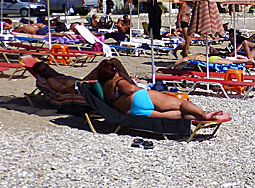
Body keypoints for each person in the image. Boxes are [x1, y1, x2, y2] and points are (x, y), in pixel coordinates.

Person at [94, 61, 230, 121]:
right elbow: (129, 88)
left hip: (132, 111)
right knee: (180, 104)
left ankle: (197, 119)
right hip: (140, 99)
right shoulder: (116, 81)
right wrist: (139, 88)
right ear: (114, 72)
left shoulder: (103, 86)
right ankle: (204, 114)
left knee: (177, 114)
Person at [21, 55, 135, 95]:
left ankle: (129, 82)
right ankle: (129, 83)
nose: (48, 69)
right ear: (42, 73)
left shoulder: (55, 75)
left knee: (112, 62)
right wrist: (83, 84)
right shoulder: (51, 80)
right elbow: (64, 90)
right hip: (83, 84)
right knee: (113, 61)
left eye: (47, 66)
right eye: (45, 69)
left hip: (82, 81)